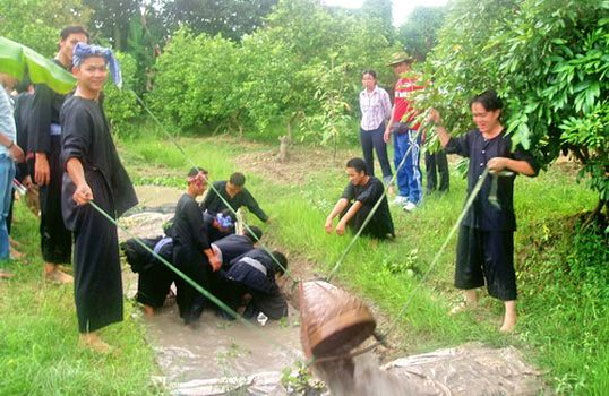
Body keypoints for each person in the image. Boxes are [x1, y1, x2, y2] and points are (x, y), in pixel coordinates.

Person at [430, 90, 538, 333]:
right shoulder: (473, 137)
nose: (479, 120)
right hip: (472, 209)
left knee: (500, 258)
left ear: (497, 112)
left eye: (483, 115)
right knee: (467, 254)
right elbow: (449, 145)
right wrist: (438, 123)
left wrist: (507, 162)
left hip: (497, 212)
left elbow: (532, 168)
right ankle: (470, 302)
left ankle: (510, 313)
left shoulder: (509, 139)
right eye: (475, 116)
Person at [60, 42, 137, 352]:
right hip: (89, 193)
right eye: (90, 68)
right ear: (76, 71)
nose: (98, 74)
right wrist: (80, 184)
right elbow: (71, 153)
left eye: (102, 68)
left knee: (102, 257)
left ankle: (94, 324)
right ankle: (87, 336)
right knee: (92, 261)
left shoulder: (92, 102)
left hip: (99, 189)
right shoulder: (78, 109)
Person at [31, 25, 89, 284]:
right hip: (53, 147)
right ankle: (50, 269)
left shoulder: (77, 72)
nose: (77, 47)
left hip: (71, 147)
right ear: (61, 42)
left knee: (69, 202)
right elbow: (39, 115)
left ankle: (62, 261)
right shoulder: (48, 71)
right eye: (73, 42)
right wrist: (40, 156)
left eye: (82, 44)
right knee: (53, 204)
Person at [171, 167, 222, 326]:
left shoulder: (183, 200)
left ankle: (186, 321)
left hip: (180, 252)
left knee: (185, 289)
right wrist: (211, 256)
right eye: (201, 183)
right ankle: (193, 323)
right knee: (201, 288)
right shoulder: (191, 204)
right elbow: (199, 234)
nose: (204, 187)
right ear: (192, 182)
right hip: (190, 254)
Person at [384, 51, 423, 212]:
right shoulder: (399, 83)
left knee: (411, 163)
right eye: (395, 66)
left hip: (411, 127)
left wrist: (423, 127)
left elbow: (424, 104)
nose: (398, 68)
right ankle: (404, 193)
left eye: (400, 64)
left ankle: (416, 197)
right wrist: (389, 126)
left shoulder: (418, 80)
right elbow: (396, 106)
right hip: (398, 127)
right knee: (398, 161)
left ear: (408, 64)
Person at [325, 157, 394, 240]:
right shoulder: (354, 183)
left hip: (379, 222)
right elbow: (343, 200)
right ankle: (353, 234)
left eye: (352, 175)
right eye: (349, 176)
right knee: (345, 208)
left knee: (364, 210)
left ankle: (373, 238)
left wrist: (343, 221)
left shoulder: (375, 184)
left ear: (361, 173)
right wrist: (330, 217)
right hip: (362, 216)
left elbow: (358, 204)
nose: (350, 178)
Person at [0, 73, 26, 279]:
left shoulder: (4, 92)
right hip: (2, 154)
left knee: (3, 212)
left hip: (6, 156)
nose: (15, 77)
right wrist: (11, 145)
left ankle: (4, 253)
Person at [222, 248, 289, 320]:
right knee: (264, 298)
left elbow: (232, 262)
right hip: (255, 276)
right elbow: (269, 290)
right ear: (277, 268)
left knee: (232, 298)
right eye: (277, 275)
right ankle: (249, 319)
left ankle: (225, 319)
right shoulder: (270, 264)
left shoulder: (256, 251)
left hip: (235, 271)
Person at [358, 70, 393, 185]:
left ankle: (389, 183)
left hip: (378, 127)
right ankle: (371, 183)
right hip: (364, 128)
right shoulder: (361, 95)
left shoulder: (382, 93)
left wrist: (388, 128)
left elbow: (389, 112)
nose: (367, 81)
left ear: (374, 80)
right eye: (364, 79)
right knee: (367, 158)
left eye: (369, 78)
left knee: (382, 156)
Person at [201, 172, 268, 223]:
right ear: (229, 183)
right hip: (213, 217)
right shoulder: (217, 187)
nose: (235, 192)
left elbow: (254, 207)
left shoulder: (243, 193)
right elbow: (206, 202)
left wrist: (265, 218)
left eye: (238, 190)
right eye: (232, 189)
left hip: (228, 221)